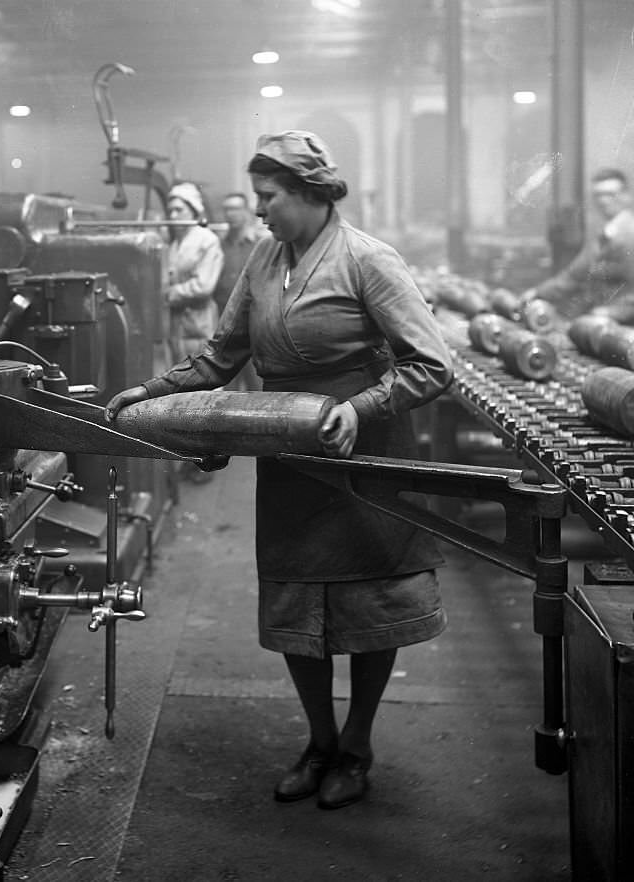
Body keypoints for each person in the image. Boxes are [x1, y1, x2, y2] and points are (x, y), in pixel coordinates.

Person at [105, 130, 454, 809]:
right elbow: (220, 355)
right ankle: (319, 741)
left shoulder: (367, 261)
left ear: (307, 195)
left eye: (269, 197)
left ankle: (356, 746)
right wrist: (154, 393)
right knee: (297, 593)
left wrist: (362, 406)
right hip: (290, 448)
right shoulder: (265, 259)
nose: (257, 210)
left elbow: (432, 364)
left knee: (368, 598)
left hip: (364, 450)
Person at [162, 181, 223, 484]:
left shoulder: (206, 240)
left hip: (197, 323)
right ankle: (190, 457)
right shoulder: (175, 242)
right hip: (177, 326)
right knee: (184, 389)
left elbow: (203, 285)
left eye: (179, 208)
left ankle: (210, 458)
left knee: (204, 388)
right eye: (170, 209)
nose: (173, 214)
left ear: (194, 210)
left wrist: (169, 294)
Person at [521, 167, 634, 320]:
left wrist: (612, 313)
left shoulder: (630, 233)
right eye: (598, 195)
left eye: (610, 194)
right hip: (601, 321)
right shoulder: (603, 234)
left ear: (626, 196)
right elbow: (573, 276)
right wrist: (537, 293)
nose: (603, 201)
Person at [214, 192, 267, 390]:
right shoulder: (219, 245)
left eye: (235, 208)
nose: (230, 214)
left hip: (256, 330)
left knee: (258, 389)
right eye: (226, 209)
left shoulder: (261, 244)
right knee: (229, 391)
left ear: (246, 211)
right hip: (227, 329)